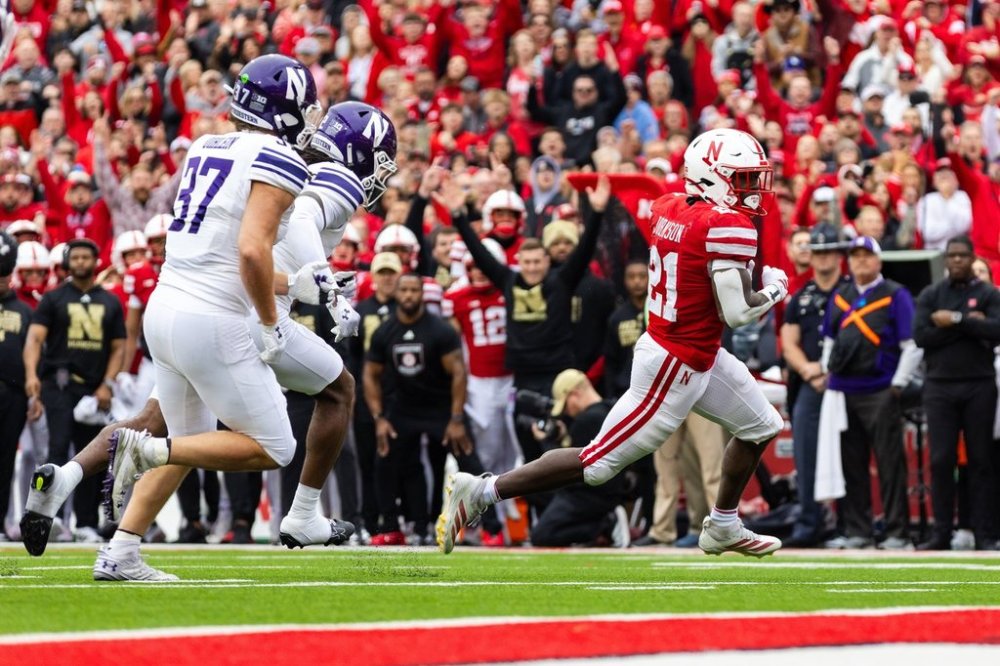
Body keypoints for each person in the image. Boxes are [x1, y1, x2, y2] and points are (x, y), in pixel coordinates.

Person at [437, 128, 788, 557]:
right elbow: (737, 312)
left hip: (694, 350)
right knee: (598, 464)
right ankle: (482, 491)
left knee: (761, 425)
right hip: (674, 362)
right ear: (711, 176)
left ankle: (723, 525)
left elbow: (706, 281)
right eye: (743, 179)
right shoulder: (724, 224)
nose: (753, 191)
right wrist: (774, 288)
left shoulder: (672, 206)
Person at [819, 236, 921, 550]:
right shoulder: (841, 295)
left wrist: (898, 384)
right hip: (843, 391)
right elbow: (830, 342)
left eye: (867, 256)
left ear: (878, 261)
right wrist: (828, 372)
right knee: (851, 463)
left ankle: (896, 532)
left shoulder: (895, 295)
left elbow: (912, 344)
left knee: (890, 464)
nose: (861, 261)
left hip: (880, 390)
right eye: (855, 256)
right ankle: (858, 530)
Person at [21, 238, 126, 542]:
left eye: (86, 257)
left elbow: (120, 347)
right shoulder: (53, 298)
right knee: (56, 449)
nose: (81, 262)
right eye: (75, 257)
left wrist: (108, 383)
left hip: (94, 390)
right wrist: (32, 376)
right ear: (68, 261)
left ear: (96, 262)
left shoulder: (109, 301)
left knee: (91, 457)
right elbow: (34, 340)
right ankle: (50, 519)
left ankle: (85, 523)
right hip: (59, 384)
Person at [363, 273, 475, 544]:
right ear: (397, 294)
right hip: (403, 408)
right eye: (405, 290)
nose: (409, 295)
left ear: (423, 294)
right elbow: (370, 374)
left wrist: (457, 418)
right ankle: (392, 527)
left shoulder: (440, 330)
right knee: (385, 457)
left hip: (441, 407)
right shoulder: (384, 331)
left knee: (468, 456)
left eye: (415, 290)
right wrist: (379, 419)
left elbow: (459, 373)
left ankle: (490, 526)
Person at [913, 236, 1000, 550]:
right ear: (946, 260)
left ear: (972, 257)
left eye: (964, 255)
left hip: (979, 383)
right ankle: (941, 534)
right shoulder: (931, 293)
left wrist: (955, 321)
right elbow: (921, 336)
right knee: (940, 460)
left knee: (981, 460)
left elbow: (997, 329)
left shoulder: (989, 293)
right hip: (940, 386)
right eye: (953, 256)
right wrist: (972, 327)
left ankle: (985, 534)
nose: (958, 261)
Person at [780, 223, 849, 547]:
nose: (822, 258)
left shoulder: (852, 292)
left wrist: (829, 371)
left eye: (828, 251)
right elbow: (788, 340)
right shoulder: (801, 296)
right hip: (810, 382)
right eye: (817, 252)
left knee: (850, 452)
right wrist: (808, 370)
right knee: (805, 452)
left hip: (846, 382)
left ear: (838, 254)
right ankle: (809, 523)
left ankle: (850, 524)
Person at [529, 369, 631, 548]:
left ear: (574, 394)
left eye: (566, 405)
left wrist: (547, 443)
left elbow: (568, 470)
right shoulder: (611, 410)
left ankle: (605, 525)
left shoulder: (586, 420)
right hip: (609, 491)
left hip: (588, 494)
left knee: (542, 536)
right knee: (534, 491)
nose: (567, 412)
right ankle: (603, 525)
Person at [0, 230, 31, 540]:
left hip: (13, 392)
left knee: (7, 457)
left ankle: (0, 523)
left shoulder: (24, 311)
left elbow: (32, 354)